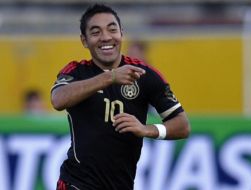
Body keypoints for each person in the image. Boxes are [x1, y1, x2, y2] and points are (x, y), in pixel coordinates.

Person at [51, 4, 190, 190]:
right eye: (96, 32)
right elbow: (58, 100)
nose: (106, 37)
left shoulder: (144, 74)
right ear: (84, 41)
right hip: (76, 184)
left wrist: (146, 129)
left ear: (121, 33)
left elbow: (182, 125)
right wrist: (110, 77)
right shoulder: (76, 71)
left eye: (112, 29)